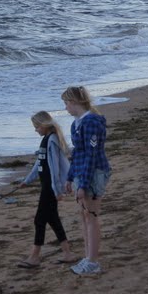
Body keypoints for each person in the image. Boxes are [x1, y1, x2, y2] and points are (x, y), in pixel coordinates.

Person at [17, 111, 77, 268]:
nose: (35, 130)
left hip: (50, 188)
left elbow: (54, 167)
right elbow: (39, 163)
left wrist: (57, 190)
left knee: (39, 220)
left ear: (43, 125)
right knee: (52, 219)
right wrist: (27, 181)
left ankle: (35, 256)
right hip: (46, 186)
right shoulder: (45, 140)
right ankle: (67, 253)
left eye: (36, 126)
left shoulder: (52, 140)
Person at [62, 85, 111, 276]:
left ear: (74, 103)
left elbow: (91, 155)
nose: (65, 107)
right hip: (81, 172)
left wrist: (82, 185)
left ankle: (93, 261)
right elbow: (77, 154)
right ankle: (87, 256)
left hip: (94, 173)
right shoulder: (76, 123)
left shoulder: (91, 122)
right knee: (84, 216)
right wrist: (70, 177)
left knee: (91, 216)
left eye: (66, 103)